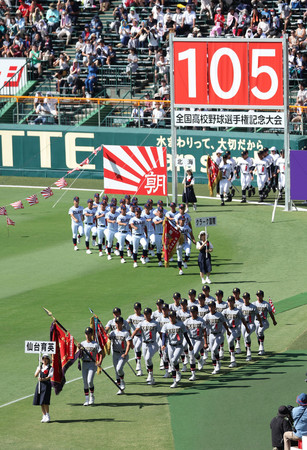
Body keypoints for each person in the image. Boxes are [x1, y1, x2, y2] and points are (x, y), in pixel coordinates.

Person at [161, 310, 193, 388]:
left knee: (174, 360)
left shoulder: (180, 324)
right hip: (170, 346)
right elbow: (164, 336)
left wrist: (190, 344)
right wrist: (163, 344)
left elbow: (185, 335)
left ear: (175, 317)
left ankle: (177, 374)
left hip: (179, 345)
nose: (171, 318)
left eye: (173, 316)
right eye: (170, 317)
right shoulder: (166, 326)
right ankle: (175, 379)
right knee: (172, 363)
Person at [131, 307, 161, 385]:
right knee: (147, 361)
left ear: (150, 314)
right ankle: (152, 378)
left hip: (153, 344)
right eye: (145, 314)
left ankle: (150, 375)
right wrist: (130, 338)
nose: (146, 315)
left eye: (147, 314)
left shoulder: (155, 323)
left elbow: (161, 333)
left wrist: (163, 343)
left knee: (148, 358)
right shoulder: (141, 323)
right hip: (144, 344)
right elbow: (136, 330)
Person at [222, 296, 250, 368]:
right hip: (229, 329)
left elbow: (243, 320)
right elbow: (221, 320)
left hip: (236, 329)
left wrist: (246, 328)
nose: (230, 303)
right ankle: (233, 360)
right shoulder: (225, 311)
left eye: (231, 301)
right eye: (229, 301)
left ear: (234, 302)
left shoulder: (237, 311)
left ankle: (233, 360)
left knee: (230, 341)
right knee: (229, 344)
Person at [204, 300, 231, 374]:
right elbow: (204, 326)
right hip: (211, 335)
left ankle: (218, 362)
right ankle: (215, 366)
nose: (210, 308)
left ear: (215, 307)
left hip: (219, 334)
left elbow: (224, 323)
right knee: (213, 352)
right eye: (209, 306)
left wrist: (228, 331)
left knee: (214, 349)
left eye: (212, 306)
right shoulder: (207, 316)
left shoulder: (219, 315)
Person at [78, 327, 102, 406]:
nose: (87, 335)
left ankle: (92, 396)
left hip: (92, 364)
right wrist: (78, 348)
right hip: (84, 364)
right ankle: (86, 399)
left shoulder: (95, 344)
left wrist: (99, 362)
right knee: (85, 383)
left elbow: (101, 353)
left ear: (92, 334)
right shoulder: (82, 343)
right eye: (86, 334)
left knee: (89, 381)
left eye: (89, 334)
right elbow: (79, 354)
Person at [109, 316, 132, 395]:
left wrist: (126, 353)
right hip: (115, 354)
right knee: (116, 371)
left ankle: (122, 382)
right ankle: (120, 389)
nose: (118, 324)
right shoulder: (112, 333)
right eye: (116, 322)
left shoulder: (125, 333)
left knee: (119, 369)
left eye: (119, 322)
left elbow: (128, 344)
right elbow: (107, 339)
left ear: (122, 323)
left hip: (122, 354)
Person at [184, 306, 208, 380]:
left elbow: (204, 332)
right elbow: (183, 329)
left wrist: (205, 343)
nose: (192, 313)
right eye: (191, 312)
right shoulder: (187, 321)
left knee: (193, 353)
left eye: (194, 312)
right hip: (191, 340)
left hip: (199, 340)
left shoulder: (201, 320)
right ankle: (193, 374)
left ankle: (199, 360)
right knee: (192, 356)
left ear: (197, 312)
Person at [253, 290, 277, 355]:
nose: (259, 296)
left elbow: (270, 313)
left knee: (260, 332)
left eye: (260, 295)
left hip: (264, 321)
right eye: (257, 295)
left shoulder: (266, 304)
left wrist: (274, 321)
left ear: (263, 296)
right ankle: (261, 349)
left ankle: (261, 348)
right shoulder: (254, 304)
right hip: (256, 321)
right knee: (258, 334)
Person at [33, 354, 53, 423]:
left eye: (46, 359)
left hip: (46, 385)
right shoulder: (40, 367)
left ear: (48, 360)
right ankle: (44, 415)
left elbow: (49, 377)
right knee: (40, 401)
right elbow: (35, 375)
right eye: (43, 359)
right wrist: (38, 371)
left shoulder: (50, 368)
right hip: (39, 385)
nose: (44, 360)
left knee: (45, 401)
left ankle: (47, 415)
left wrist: (43, 379)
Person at [126, 302, 144, 376]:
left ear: (140, 309)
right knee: (135, 352)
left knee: (137, 348)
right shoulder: (131, 317)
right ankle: (139, 370)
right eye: (135, 309)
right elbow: (126, 323)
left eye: (138, 309)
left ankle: (139, 364)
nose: (136, 310)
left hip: (141, 336)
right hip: (134, 337)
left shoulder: (143, 317)